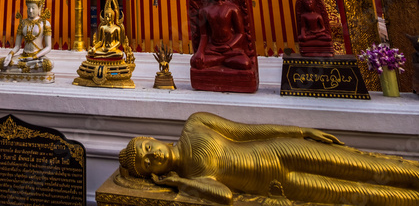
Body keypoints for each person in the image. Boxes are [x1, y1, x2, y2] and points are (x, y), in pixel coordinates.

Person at [119, 112, 419, 204]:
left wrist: (301, 131)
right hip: (280, 184)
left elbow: (248, 131)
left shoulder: (195, 124)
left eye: (146, 148)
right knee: (364, 194)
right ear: (151, 174)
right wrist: (179, 183)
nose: (152, 157)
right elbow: (224, 196)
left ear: (151, 138)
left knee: (369, 166)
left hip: (282, 150)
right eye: (147, 164)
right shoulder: (194, 176)